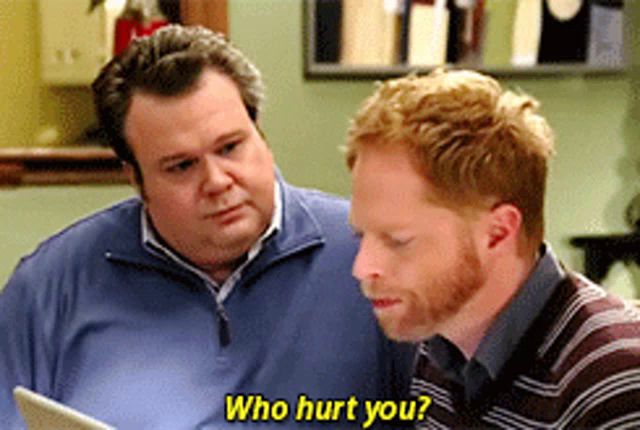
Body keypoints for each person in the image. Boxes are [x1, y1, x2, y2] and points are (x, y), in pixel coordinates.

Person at [0, 25, 413, 429]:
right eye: (181, 166)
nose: (217, 182)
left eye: (230, 147)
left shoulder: (374, 257)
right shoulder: (50, 287)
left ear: (261, 136)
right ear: (136, 178)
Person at [345, 69, 640, 429]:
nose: (363, 267)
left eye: (398, 240)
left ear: (498, 232)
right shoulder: (440, 351)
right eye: (361, 236)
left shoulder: (616, 383)